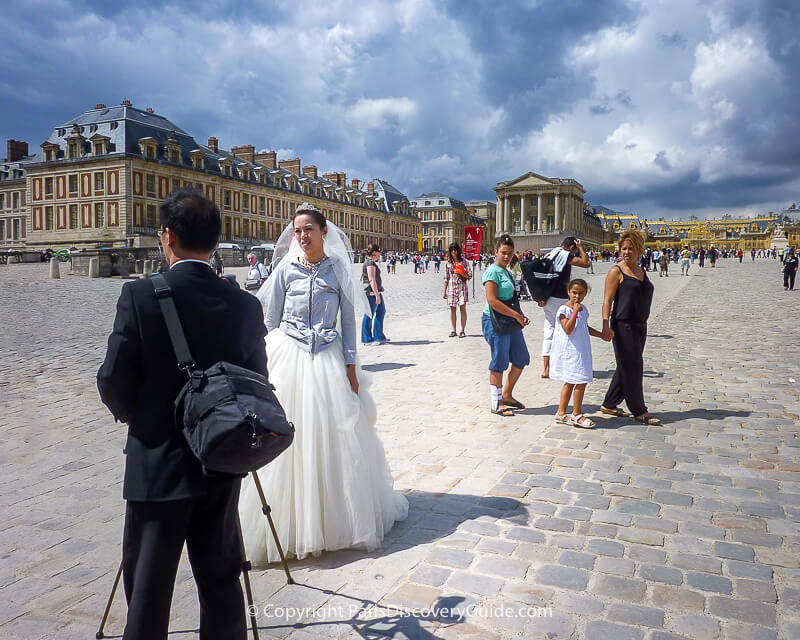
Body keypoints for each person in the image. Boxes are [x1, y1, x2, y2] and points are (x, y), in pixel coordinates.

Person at [97, 188, 266, 640]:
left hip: (158, 464)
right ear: (215, 240)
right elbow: (259, 384)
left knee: (149, 598)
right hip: (221, 460)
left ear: (167, 236)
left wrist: (141, 418)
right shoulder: (245, 305)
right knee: (220, 585)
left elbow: (112, 379)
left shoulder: (140, 296)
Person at [239, 203, 408, 563]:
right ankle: (291, 521)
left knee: (334, 437)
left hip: (328, 356)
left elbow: (348, 321)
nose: (302, 236)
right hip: (290, 356)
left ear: (323, 232)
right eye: (298, 230)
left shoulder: (338, 270)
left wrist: (350, 364)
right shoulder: (285, 269)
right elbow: (270, 320)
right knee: (288, 439)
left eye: (308, 230)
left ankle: (334, 520)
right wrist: (268, 361)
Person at [599, 230, 659, 425]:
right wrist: (605, 325)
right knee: (634, 366)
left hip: (640, 325)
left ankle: (609, 403)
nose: (626, 252)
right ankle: (639, 409)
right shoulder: (616, 271)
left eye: (630, 248)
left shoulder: (642, 271)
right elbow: (607, 299)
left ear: (639, 250)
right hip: (622, 325)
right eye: (623, 248)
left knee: (626, 365)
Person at [482, 235, 531, 416]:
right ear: (496, 252)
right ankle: (497, 402)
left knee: (521, 358)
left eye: (510, 253)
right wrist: (516, 315)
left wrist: (520, 315)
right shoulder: (492, 272)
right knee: (499, 361)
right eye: (503, 253)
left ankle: (507, 394)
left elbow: (511, 299)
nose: (506, 256)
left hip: (510, 320)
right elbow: (492, 301)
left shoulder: (507, 272)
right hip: (495, 321)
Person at [551, 278, 607, 428]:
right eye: (574, 292)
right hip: (570, 351)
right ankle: (576, 414)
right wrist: (574, 312)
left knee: (574, 380)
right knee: (578, 380)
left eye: (580, 293)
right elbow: (568, 329)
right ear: (568, 292)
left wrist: (600, 334)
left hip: (581, 349)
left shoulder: (584, 309)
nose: (577, 296)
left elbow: (583, 327)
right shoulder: (563, 310)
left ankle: (561, 413)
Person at [538, 236, 591, 378]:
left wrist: (540, 296)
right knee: (565, 330)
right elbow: (586, 263)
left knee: (549, 332)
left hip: (547, 298)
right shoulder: (566, 255)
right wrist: (581, 247)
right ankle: (563, 365)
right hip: (559, 299)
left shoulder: (551, 253)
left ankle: (546, 368)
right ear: (572, 247)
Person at [361, 243, 388, 344]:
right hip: (371, 294)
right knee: (369, 314)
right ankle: (367, 338)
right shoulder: (370, 264)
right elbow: (372, 280)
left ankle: (378, 336)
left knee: (381, 312)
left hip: (376, 292)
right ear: (374, 252)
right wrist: (377, 295)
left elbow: (375, 279)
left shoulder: (371, 262)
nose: (380, 254)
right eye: (379, 252)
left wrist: (380, 288)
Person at [443, 242, 471, 338]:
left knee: (462, 307)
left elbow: (469, 275)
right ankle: (453, 330)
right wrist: (444, 291)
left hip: (461, 286)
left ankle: (462, 330)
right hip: (451, 286)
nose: (453, 251)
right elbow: (446, 278)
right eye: (451, 250)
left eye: (455, 249)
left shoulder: (464, 262)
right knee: (452, 309)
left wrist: (461, 273)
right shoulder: (448, 263)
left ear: (458, 251)